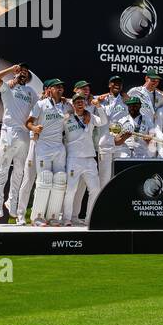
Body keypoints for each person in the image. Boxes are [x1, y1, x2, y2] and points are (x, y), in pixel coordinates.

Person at [0, 63, 37, 221]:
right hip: (8, 133)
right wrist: (11, 70)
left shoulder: (30, 92)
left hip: (24, 134)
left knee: (19, 171)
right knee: (3, 169)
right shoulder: (7, 87)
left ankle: (12, 201)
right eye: (20, 71)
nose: (23, 74)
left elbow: (42, 103)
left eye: (26, 72)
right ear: (16, 73)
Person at [24, 79, 69, 226]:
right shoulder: (41, 104)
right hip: (43, 146)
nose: (60, 89)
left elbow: (82, 103)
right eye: (57, 87)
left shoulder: (66, 105)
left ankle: (53, 216)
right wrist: (34, 128)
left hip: (59, 147)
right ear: (49, 89)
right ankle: (37, 217)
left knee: (60, 180)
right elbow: (28, 122)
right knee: (44, 180)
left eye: (61, 87)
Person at [61, 91, 103, 227]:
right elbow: (55, 127)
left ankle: (89, 218)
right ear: (73, 104)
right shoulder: (67, 117)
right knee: (71, 189)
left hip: (90, 159)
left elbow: (103, 121)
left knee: (95, 189)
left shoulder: (90, 116)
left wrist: (99, 107)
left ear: (85, 103)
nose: (80, 103)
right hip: (74, 158)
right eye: (77, 102)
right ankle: (66, 218)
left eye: (82, 101)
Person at [94, 76, 126, 187]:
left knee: (121, 177)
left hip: (121, 143)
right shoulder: (99, 100)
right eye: (114, 83)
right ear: (109, 85)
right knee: (104, 179)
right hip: (104, 143)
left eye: (119, 83)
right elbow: (80, 100)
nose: (117, 85)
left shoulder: (126, 100)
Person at [112, 95, 153, 160]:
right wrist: (124, 137)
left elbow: (153, 137)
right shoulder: (121, 121)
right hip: (124, 155)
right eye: (130, 106)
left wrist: (149, 139)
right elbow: (116, 142)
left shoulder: (148, 120)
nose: (132, 108)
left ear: (140, 106)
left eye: (135, 106)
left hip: (141, 155)